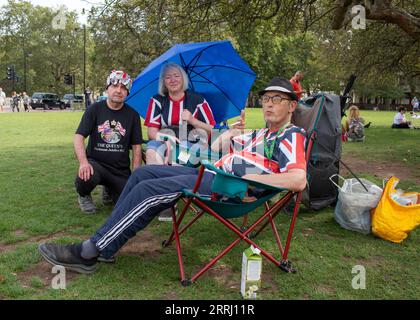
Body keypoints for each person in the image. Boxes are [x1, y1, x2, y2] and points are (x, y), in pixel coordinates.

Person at [38, 77, 308, 274]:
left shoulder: (290, 135)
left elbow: (298, 180)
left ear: (292, 106)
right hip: (210, 172)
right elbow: (216, 147)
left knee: (149, 191)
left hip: (228, 187)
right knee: (143, 174)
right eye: (266, 99)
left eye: (278, 100)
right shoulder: (261, 134)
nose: (269, 105)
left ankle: (89, 252)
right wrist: (227, 136)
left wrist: (249, 181)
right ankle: (108, 239)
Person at [144, 62, 216, 221]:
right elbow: (151, 132)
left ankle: (169, 203)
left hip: (192, 143)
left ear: (183, 78)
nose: (173, 79)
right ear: (163, 81)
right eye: (168, 77)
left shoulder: (198, 100)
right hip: (163, 139)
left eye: (176, 75)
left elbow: (212, 128)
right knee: (151, 152)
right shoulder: (157, 101)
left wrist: (192, 120)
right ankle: (159, 199)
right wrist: (165, 138)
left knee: (177, 158)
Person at [74, 70, 143, 214]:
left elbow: (137, 147)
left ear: (128, 92)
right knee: (86, 176)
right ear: (107, 88)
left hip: (120, 170)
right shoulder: (94, 109)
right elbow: (79, 137)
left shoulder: (133, 115)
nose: (119, 90)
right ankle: (84, 195)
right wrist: (83, 162)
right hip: (96, 164)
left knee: (129, 204)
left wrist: (136, 172)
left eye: (123, 88)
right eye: (115, 86)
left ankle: (110, 189)